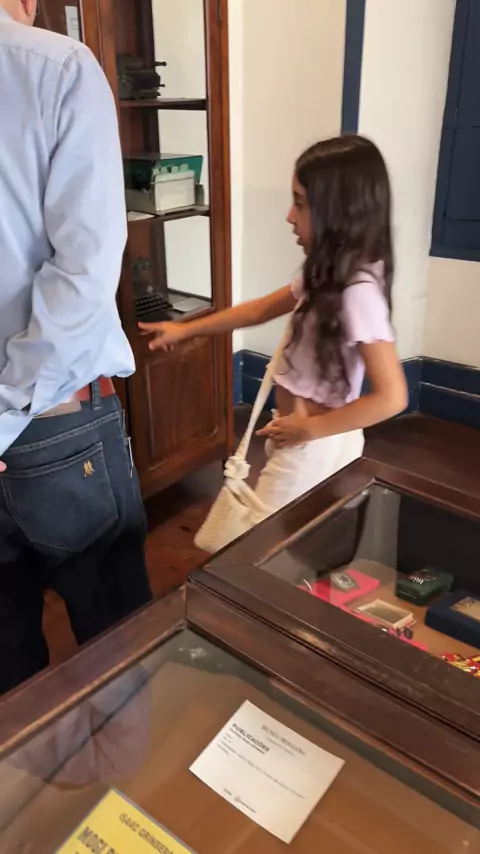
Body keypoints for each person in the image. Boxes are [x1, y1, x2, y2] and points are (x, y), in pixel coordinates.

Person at [0, 0, 151, 695]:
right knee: (121, 655)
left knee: (9, 677)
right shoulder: (56, 66)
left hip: (45, 420)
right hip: (56, 417)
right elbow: (85, 273)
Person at [140, 135, 407, 515]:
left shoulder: (356, 291)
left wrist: (309, 430)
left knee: (266, 541)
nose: (289, 216)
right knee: (295, 535)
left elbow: (392, 397)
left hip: (312, 445)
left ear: (339, 211)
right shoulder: (328, 273)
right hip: (304, 437)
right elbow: (260, 310)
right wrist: (186, 330)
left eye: (300, 203)